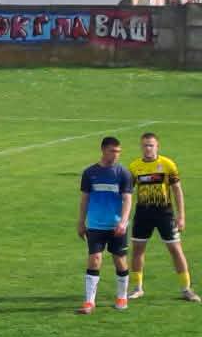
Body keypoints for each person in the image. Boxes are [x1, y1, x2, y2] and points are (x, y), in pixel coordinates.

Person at [127, 131, 199, 302]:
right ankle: (137, 288)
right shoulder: (134, 167)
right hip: (143, 214)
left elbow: (177, 191)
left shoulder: (167, 165)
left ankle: (186, 289)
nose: (148, 148)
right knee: (137, 250)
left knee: (176, 250)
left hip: (164, 214)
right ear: (141, 147)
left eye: (151, 145)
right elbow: (127, 193)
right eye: (145, 145)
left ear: (157, 146)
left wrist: (181, 216)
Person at [77, 136, 134, 314]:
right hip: (95, 225)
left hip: (116, 226)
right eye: (112, 151)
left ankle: (122, 297)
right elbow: (85, 199)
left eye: (118, 152)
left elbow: (127, 199)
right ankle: (89, 302)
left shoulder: (123, 173)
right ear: (103, 150)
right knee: (94, 259)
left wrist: (123, 222)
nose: (116, 154)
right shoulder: (89, 173)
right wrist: (81, 221)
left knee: (120, 261)